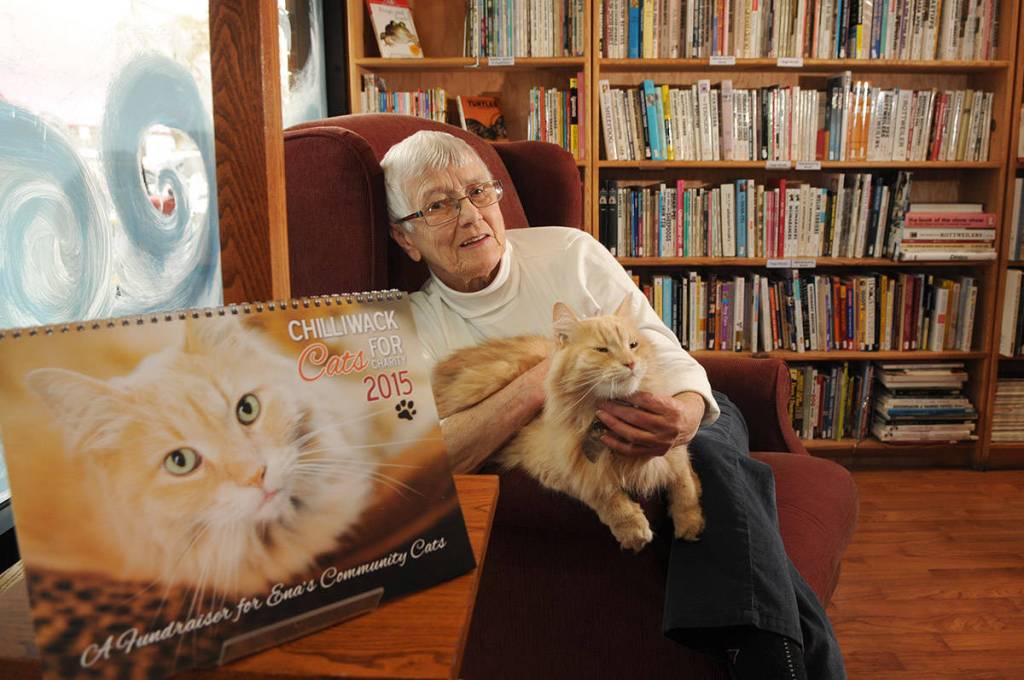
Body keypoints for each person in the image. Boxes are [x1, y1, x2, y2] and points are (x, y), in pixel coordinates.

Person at [380, 130, 846, 680]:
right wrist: (542, 380)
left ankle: (763, 656)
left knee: (707, 455)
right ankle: (781, 661)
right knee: (725, 481)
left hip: (684, 411)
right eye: (438, 205)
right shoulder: (409, 325)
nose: (470, 215)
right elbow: (428, 461)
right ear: (405, 238)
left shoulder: (571, 252)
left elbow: (665, 353)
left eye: (480, 191)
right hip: (588, 447)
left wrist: (684, 419)